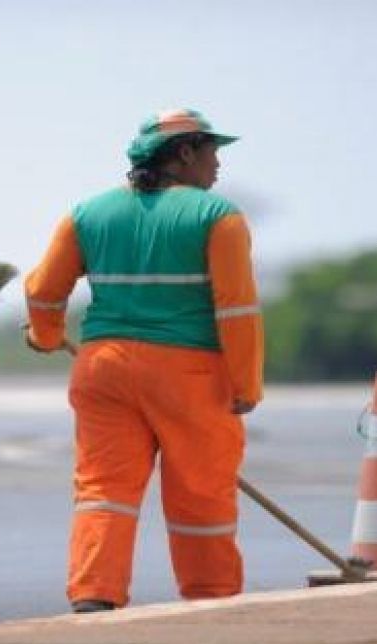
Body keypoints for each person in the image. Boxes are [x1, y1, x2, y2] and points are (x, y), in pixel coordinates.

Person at [24, 108, 264, 613]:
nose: (218, 165)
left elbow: (44, 289)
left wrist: (46, 336)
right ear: (183, 153)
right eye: (211, 151)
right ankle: (211, 597)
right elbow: (237, 310)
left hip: (103, 368)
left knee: (103, 490)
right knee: (201, 493)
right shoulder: (217, 216)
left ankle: (93, 595)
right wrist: (245, 386)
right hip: (190, 375)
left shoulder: (87, 214)